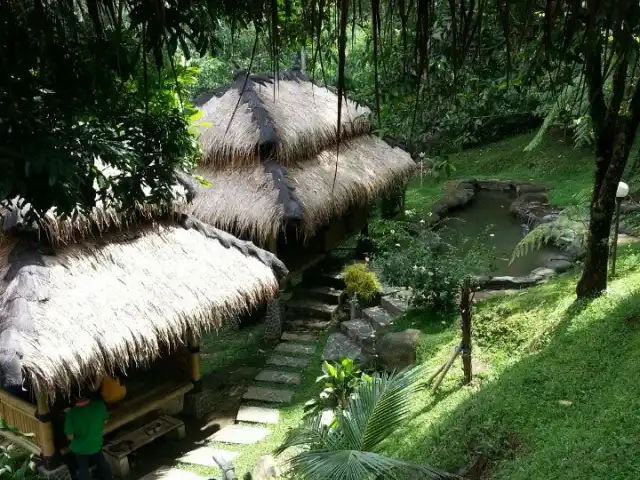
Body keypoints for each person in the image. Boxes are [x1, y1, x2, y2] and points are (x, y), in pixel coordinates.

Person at [64, 396, 112, 480]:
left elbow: (70, 437)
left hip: (80, 449)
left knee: (83, 469)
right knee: (101, 462)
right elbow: (105, 421)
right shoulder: (99, 405)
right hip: (96, 443)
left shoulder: (71, 413)